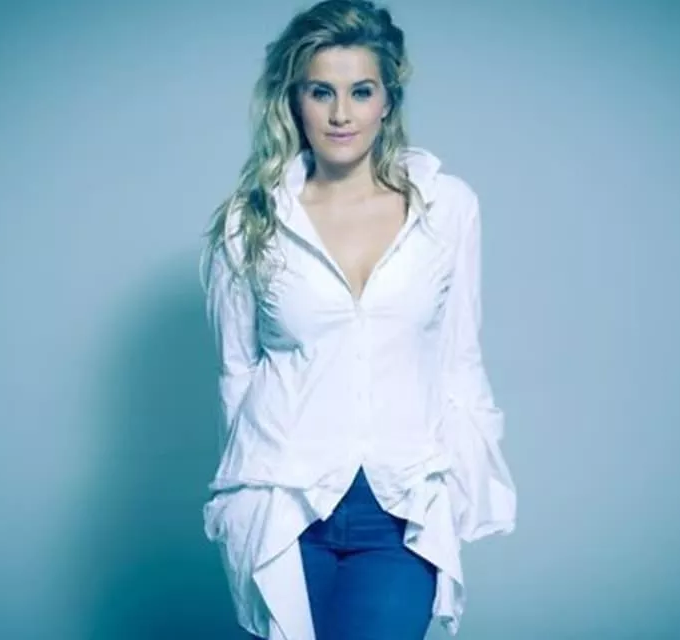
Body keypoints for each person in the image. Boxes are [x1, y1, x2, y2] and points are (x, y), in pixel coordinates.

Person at [199, 1, 516, 638]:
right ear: (295, 102)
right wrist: (245, 501)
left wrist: (468, 490)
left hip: (400, 507)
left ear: (387, 101)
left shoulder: (447, 208)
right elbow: (238, 372)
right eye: (322, 92)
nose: (341, 114)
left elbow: (459, 358)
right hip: (285, 508)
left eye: (361, 91)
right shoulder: (249, 220)